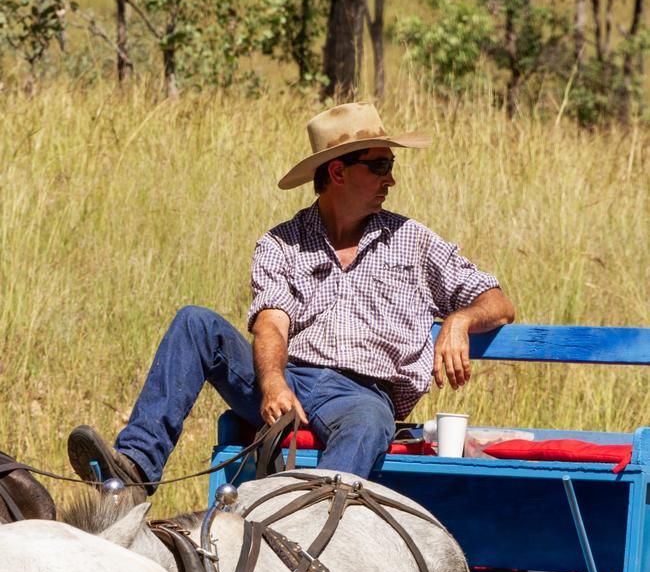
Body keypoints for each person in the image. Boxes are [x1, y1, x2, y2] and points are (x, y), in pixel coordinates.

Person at [68, 102, 514, 499]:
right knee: (196, 323)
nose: (391, 179)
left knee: (366, 422)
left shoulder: (413, 240)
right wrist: (274, 381)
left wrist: (458, 320)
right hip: (289, 378)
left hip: (360, 394)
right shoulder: (282, 243)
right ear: (338, 171)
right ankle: (134, 471)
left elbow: (498, 303)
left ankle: (303, 535)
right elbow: (271, 323)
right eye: (379, 166)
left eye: (390, 164)